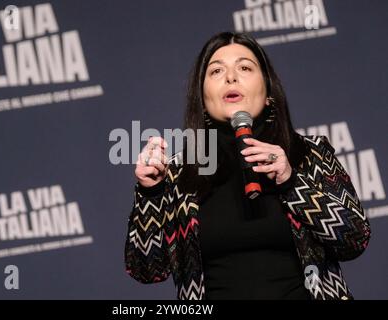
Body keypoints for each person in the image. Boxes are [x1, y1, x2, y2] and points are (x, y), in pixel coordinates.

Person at [124, 32, 370, 300]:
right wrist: (151, 193)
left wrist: (291, 182)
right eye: (216, 71)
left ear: (268, 92)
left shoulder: (309, 154)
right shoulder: (180, 172)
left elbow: (355, 239)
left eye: (244, 67)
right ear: (203, 99)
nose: (231, 77)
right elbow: (146, 270)